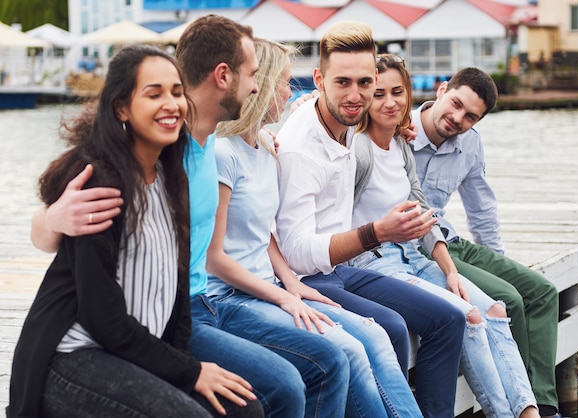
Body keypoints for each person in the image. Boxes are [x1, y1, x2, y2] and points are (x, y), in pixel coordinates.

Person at [28, 14, 352, 418]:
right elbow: (57, 231)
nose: (258, 85)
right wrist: (53, 219)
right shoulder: (140, 160)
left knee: (278, 388)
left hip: (178, 311)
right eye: (253, 74)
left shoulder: (202, 146)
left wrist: (311, 108)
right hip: (119, 330)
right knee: (282, 384)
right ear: (222, 75)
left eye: (176, 92)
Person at [7, 44, 263, 418]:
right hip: (73, 357)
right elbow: (102, 318)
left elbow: (177, 296)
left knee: (243, 409)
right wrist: (189, 372)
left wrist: (183, 365)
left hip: (133, 350)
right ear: (121, 107)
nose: (171, 104)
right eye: (154, 93)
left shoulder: (171, 176)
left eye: (177, 92)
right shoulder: (101, 183)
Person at [211, 37, 421, 417]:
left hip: (274, 283)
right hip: (227, 297)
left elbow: (265, 232)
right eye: (285, 82)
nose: (293, 93)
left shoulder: (264, 145)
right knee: (347, 352)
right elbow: (216, 258)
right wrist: (284, 295)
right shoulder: (224, 152)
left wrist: (291, 283)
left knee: (374, 334)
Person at [274, 20, 465, 418]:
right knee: (389, 328)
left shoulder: (345, 122)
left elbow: (384, 124)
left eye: (364, 83)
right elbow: (295, 253)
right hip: (308, 277)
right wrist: (377, 232)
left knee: (448, 318)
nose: (355, 94)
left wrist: (403, 128)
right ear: (318, 79)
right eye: (342, 82)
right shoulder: (298, 148)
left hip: (344, 268)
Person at [349, 54, 540, 418]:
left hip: (413, 255)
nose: (389, 102)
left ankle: (528, 412)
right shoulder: (353, 148)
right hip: (373, 263)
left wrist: (451, 271)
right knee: (468, 315)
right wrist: (305, 103)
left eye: (398, 92)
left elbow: (424, 212)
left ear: (408, 94)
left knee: (495, 310)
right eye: (379, 93)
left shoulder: (402, 148)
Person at [409, 67, 561, 418]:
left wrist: (497, 263)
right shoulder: (398, 127)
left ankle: (545, 406)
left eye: (470, 116)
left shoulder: (470, 143)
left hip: (451, 238)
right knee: (508, 299)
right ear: (443, 89)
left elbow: (481, 209)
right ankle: (519, 407)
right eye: (456, 104)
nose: (458, 118)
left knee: (541, 292)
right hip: (419, 247)